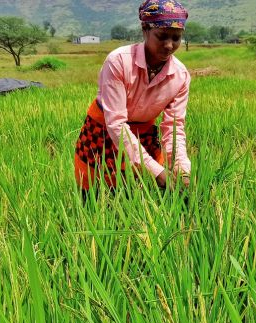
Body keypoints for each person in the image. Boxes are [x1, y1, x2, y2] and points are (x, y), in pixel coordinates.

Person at [74, 0, 192, 196]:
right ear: (145, 29)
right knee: (95, 195)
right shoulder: (119, 61)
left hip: (143, 135)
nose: (169, 45)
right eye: (162, 36)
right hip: (102, 132)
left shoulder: (180, 75)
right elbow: (116, 124)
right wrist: (156, 170)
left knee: (141, 195)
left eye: (176, 38)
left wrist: (182, 169)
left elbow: (174, 127)